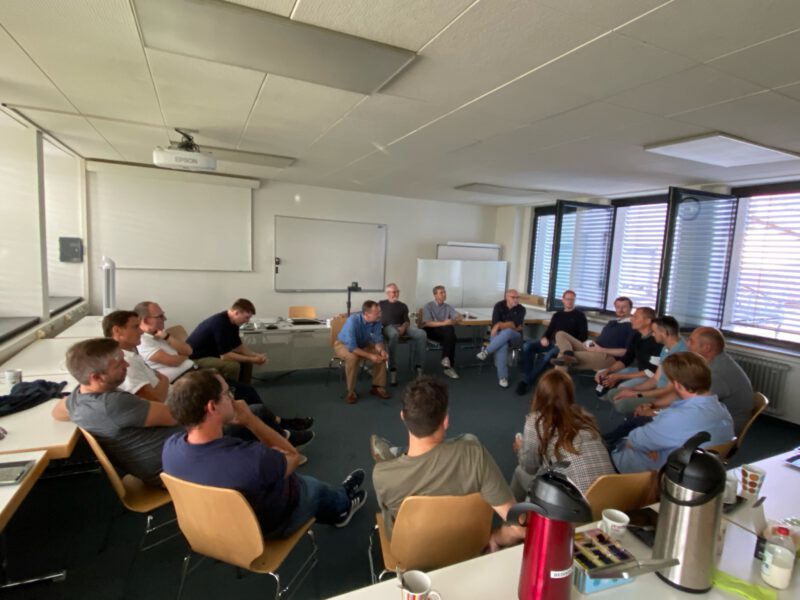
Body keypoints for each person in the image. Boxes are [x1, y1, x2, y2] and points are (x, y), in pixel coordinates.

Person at [51, 339, 300, 487]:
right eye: (118, 364)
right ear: (96, 377)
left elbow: (57, 411)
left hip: (168, 457)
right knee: (252, 413)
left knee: (243, 414)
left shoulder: (79, 398)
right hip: (178, 465)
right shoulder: (114, 405)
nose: (126, 364)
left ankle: (282, 440)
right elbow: (179, 414)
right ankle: (283, 455)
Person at [162, 370, 367, 536]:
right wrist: (250, 420)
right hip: (267, 527)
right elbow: (293, 456)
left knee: (281, 473)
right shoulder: (252, 458)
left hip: (216, 529)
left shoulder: (170, 447)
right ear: (212, 407)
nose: (233, 398)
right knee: (309, 485)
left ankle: (338, 496)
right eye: (227, 393)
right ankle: (343, 507)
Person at [132, 302, 315, 447]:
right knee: (243, 392)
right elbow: (178, 359)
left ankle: (276, 423)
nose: (165, 318)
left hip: (193, 369)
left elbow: (188, 350)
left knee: (247, 391)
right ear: (146, 319)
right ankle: (279, 431)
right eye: (160, 316)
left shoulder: (160, 336)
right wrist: (182, 355)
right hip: (187, 377)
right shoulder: (144, 342)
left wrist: (253, 356)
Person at [370, 377, 520, 549]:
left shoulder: (381, 475)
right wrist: (496, 537)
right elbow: (518, 528)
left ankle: (395, 455)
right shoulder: (475, 456)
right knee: (469, 439)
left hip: (413, 553)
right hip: (468, 547)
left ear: (403, 417)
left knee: (388, 507)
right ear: (446, 420)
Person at [611, 352, 734, 473]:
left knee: (615, 444)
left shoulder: (677, 418)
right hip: (696, 471)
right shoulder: (723, 412)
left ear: (678, 385)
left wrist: (650, 445)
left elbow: (634, 441)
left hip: (647, 475)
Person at [510, 370, 614, 500]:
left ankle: (510, 510)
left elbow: (529, 467)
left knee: (520, 472)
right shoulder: (585, 417)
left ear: (540, 394)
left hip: (576, 505)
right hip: (612, 498)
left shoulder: (536, 421)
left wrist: (520, 448)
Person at [516, 289, 587, 396]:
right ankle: (529, 375)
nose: (570, 302)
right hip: (552, 342)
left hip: (565, 346)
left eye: (572, 300)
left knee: (547, 356)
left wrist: (565, 343)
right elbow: (549, 331)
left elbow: (583, 337)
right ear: (563, 300)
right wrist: (544, 337)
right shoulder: (558, 315)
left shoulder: (580, 316)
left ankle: (526, 382)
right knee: (527, 346)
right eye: (568, 299)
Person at [687, 327, 753, 435]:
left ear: (706, 348)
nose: (687, 344)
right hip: (721, 417)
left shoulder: (717, 373)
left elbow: (693, 403)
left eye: (691, 341)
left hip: (727, 427)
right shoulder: (720, 360)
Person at [186, 299, 267, 383]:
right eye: (246, 317)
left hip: (212, 353)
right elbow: (225, 356)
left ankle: (244, 388)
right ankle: (231, 389)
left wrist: (255, 355)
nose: (247, 321)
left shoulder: (233, 322)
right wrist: (253, 359)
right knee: (233, 366)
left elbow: (238, 346)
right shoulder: (220, 322)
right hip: (196, 358)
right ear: (236, 313)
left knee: (247, 363)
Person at [595, 307, 661, 404]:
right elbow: (627, 359)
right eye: (632, 316)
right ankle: (611, 396)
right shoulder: (637, 336)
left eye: (636, 317)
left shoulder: (657, 340)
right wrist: (608, 370)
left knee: (621, 387)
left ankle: (625, 403)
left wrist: (619, 376)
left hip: (651, 376)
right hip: (640, 370)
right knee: (603, 377)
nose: (631, 319)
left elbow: (651, 371)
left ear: (648, 321)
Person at [102, 310, 170, 403]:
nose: (141, 332)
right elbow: (156, 400)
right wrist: (165, 379)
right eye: (136, 327)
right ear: (117, 331)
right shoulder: (125, 363)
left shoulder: (131, 353)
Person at [552, 297, 634, 371]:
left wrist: (601, 350)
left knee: (563, 356)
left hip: (608, 356)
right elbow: (604, 339)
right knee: (560, 334)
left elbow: (627, 352)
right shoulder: (613, 322)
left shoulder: (632, 326)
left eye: (624, 307)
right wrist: (590, 343)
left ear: (630, 308)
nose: (620, 310)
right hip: (594, 349)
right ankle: (568, 355)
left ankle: (557, 381)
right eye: (618, 307)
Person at [334, 300, 391, 404]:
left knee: (380, 355)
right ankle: (350, 392)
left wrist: (381, 350)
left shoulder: (377, 321)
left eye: (379, 312)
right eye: (377, 313)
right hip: (343, 345)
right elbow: (352, 347)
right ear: (366, 314)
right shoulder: (353, 321)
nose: (380, 315)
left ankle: (377, 387)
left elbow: (378, 340)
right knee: (353, 357)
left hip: (362, 343)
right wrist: (370, 356)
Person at [476, 289, 526, 388]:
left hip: (515, 337)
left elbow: (514, 325)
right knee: (503, 344)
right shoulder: (498, 306)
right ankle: (503, 378)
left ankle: (486, 352)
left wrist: (499, 325)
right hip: (499, 336)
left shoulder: (521, 309)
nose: (516, 299)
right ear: (506, 297)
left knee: (507, 332)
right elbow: (496, 323)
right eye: (513, 297)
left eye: (517, 297)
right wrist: (502, 325)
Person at [379, 283, 426, 385]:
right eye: (394, 292)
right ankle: (393, 370)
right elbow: (369, 313)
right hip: (387, 327)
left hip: (402, 326)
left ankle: (418, 367)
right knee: (394, 334)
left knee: (421, 334)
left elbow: (407, 321)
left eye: (397, 291)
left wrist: (403, 327)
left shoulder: (403, 306)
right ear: (388, 293)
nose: (396, 294)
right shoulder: (381, 304)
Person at [421, 286, 463, 380]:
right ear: (435, 295)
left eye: (444, 292)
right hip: (431, 330)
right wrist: (444, 323)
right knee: (451, 335)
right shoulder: (428, 306)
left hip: (444, 332)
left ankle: (446, 360)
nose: (444, 294)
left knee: (450, 333)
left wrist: (455, 319)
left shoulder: (447, 307)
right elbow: (428, 323)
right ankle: (448, 366)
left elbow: (458, 316)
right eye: (441, 293)